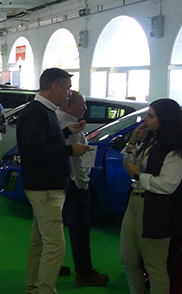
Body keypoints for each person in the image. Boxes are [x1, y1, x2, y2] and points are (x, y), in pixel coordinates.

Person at [16, 68, 90, 294]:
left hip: (46, 187)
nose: (69, 94)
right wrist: (70, 150)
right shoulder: (37, 112)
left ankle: (33, 287)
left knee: (39, 242)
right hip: (45, 188)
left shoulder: (44, 111)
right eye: (67, 89)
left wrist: (66, 132)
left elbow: (45, 142)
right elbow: (34, 151)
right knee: (55, 246)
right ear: (55, 86)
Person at [120, 98, 182, 294]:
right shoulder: (151, 141)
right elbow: (130, 163)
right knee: (128, 259)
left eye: (150, 116)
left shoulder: (177, 151)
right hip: (136, 203)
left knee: (155, 267)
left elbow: (167, 185)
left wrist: (138, 176)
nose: (145, 119)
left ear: (164, 119)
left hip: (158, 212)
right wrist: (133, 142)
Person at [57, 91, 109, 286]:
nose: (85, 108)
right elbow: (73, 160)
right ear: (68, 105)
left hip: (67, 181)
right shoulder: (64, 122)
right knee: (80, 227)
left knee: (55, 226)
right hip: (73, 182)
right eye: (82, 103)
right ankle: (85, 273)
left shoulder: (64, 121)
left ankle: (52, 264)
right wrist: (82, 182)